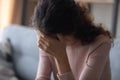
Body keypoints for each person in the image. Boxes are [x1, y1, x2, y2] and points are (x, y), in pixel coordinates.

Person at [32, 0, 112, 80]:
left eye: (51, 39)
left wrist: (62, 57)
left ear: (69, 32)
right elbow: (42, 77)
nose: (48, 42)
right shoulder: (47, 35)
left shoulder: (100, 44)